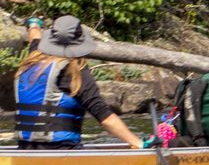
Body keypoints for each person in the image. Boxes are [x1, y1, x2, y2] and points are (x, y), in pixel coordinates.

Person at [14, 16, 147, 149]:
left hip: (25, 148)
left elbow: (35, 38)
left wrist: (33, 24)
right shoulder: (74, 70)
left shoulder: (33, 58)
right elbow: (103, 115)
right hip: (61, 149)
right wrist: (138, 143)